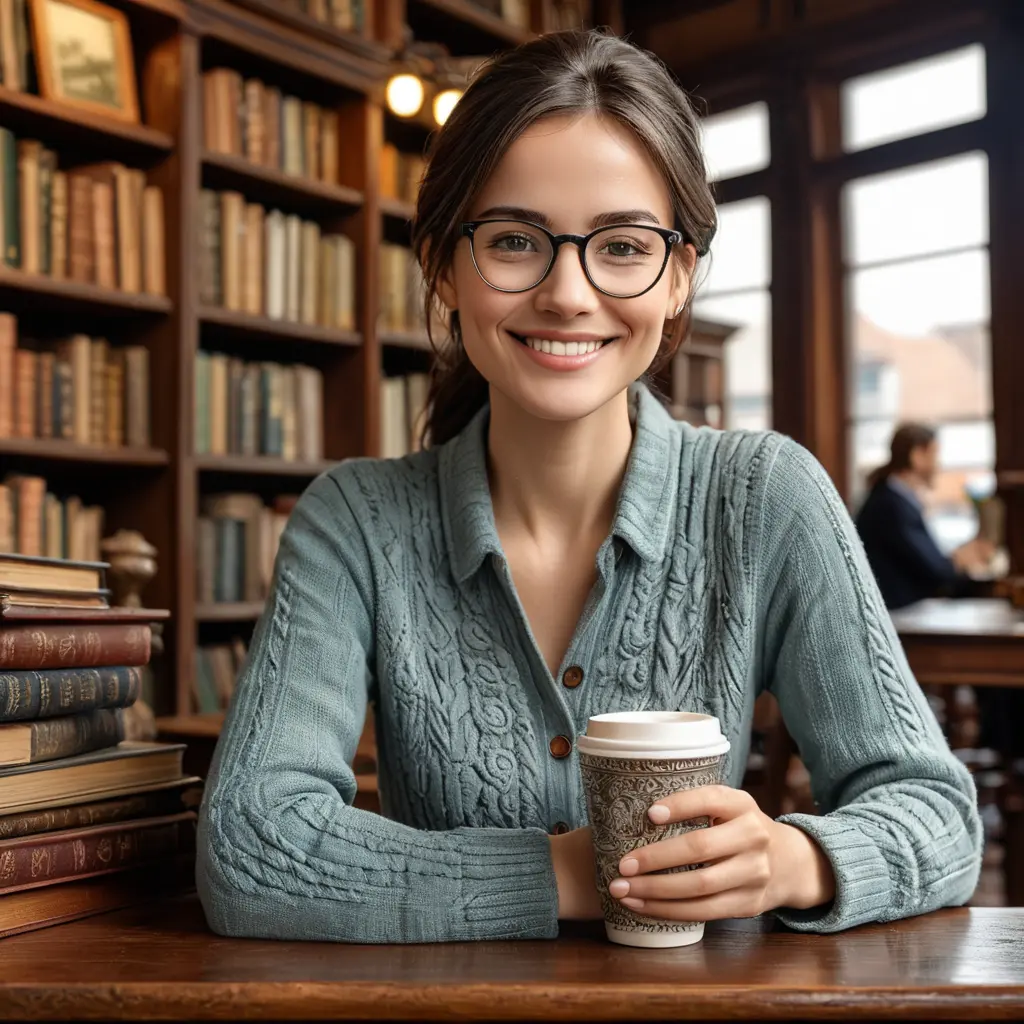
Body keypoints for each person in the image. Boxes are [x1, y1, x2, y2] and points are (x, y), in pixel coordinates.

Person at [196, 29, 982, 943]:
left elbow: (935, 812)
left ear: (680, 276)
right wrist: (564, 871)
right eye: (517, 240)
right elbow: (251, 847)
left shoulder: (766, 497)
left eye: (622, 247)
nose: (569, 293)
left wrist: (793, 862)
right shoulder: (357, 521)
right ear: (445, 267)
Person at [855, 423, 995, 610]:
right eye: (934, 455)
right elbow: (935, 572)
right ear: (917, 456)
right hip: (896, 616)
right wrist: (962, 559)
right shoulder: (891, 505)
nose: (938, 465)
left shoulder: (894, 498)